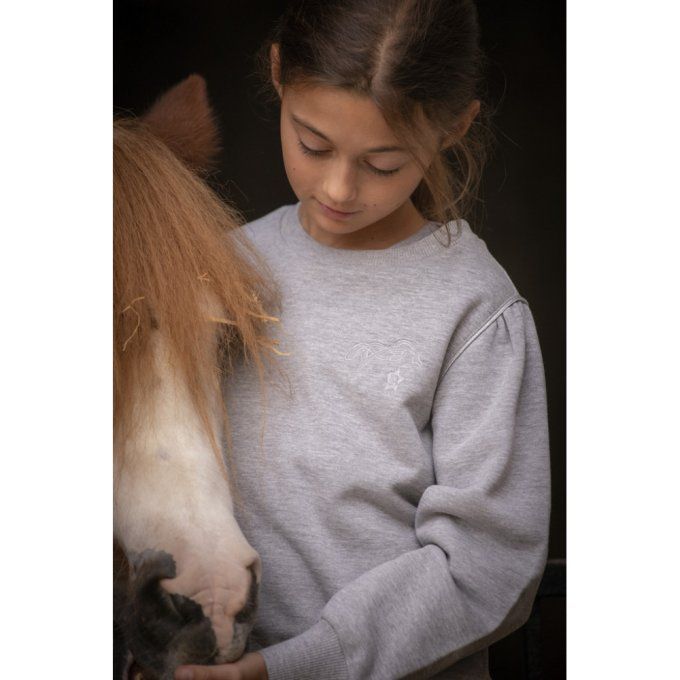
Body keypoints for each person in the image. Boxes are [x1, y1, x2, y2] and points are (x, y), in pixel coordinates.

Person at [175, 0, 550, 678]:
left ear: (454, 127)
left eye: (383, 163)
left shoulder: (475, 308)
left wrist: (290, 668)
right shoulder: (217, 272)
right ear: (279, 75)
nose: (339, 188)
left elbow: (486, 568)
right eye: (312, 144)